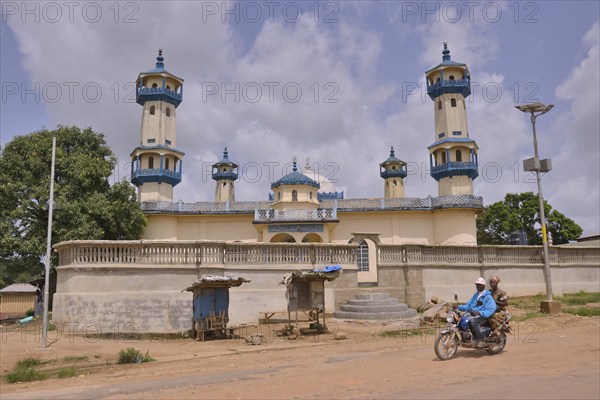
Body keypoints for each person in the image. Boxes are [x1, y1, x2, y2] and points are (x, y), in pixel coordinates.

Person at [458, 277, 497, 347]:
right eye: (476, 284)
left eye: (479, 284)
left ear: (483, 286)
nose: (477, 286)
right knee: (462, 318)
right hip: (474, 314)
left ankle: (481, 339)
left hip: (484, 316)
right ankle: (466, 336)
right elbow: (468, 305)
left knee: (473, 321)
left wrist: (481, 313)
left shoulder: (488, 296)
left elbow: (491, 308)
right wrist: (458, 307)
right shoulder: (476, 295)